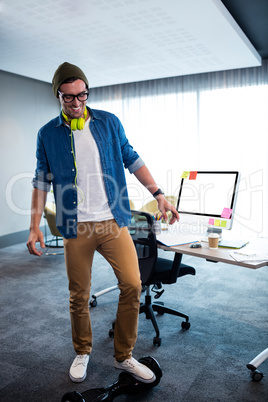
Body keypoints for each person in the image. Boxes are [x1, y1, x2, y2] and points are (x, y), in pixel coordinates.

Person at [26, 62, 179, 383]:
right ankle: (82, 350)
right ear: (58, 95)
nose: (77, 102)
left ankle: (124, 355)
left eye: (82, 95)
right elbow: (41, 180)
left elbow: (132, 158)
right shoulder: (47, 134)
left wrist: (160, 194)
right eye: (69, 98)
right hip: (75, 226)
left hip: (113, 221)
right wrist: (34, 225)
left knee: (133, 284)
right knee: (78, 295)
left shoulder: (108, 123)